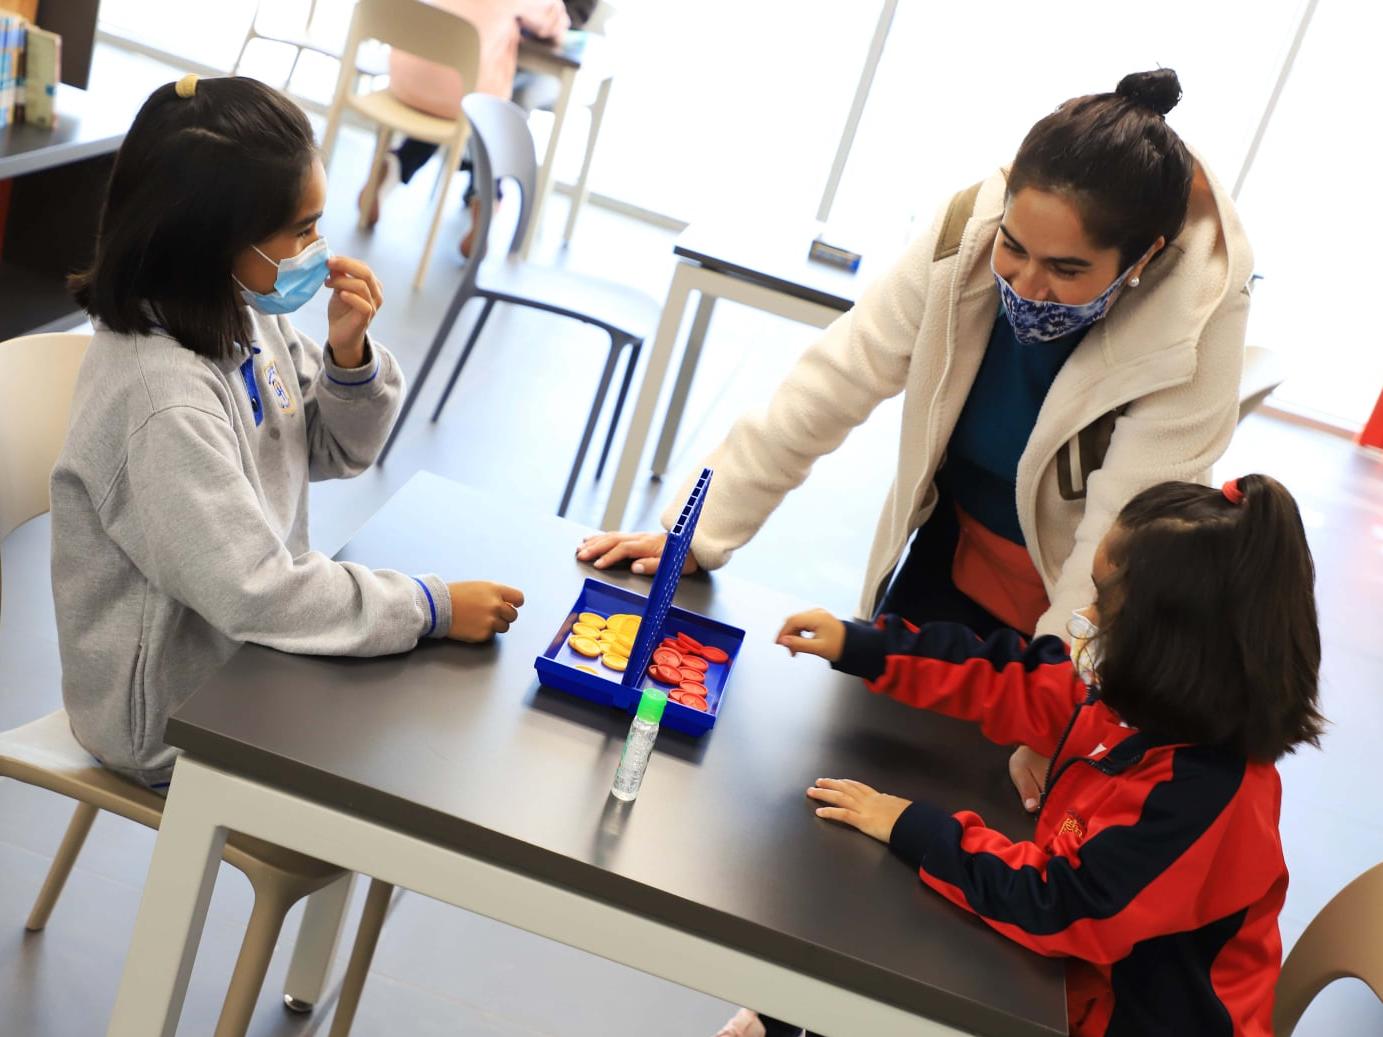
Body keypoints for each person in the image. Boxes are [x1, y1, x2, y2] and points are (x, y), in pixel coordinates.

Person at [578, 67, 1254, 819]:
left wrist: (1057, 712)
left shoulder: (1194, 325)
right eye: (1015, 248)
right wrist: (691, 535)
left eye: (1066, 269)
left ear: (1143, 257)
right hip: (957, 547)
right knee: (863, 763)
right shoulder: (962, 233)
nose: (1027, 285)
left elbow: (1121, 551)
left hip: (1081, 598)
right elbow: (831, 383)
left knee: (993, 816)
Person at [55, 75, 524, 789]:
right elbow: (259, 592)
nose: (318, 247)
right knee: (419, 766)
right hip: (172, 717)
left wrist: (347, 358)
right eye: (302, 229)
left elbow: (337, 450)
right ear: (212, 236)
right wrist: (425, 607)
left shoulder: (238, 311)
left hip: (249, 652)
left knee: (429, 725)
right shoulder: (162, 401)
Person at [732, 474, 1324, 1037]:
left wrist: (912, 825)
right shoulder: (1133, 703)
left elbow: (1060, 904)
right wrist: (868, 646)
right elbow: (1008, 677)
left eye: (1105, 605)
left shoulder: (1206, 798)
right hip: (1069, 984)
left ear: (1177, 647)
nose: (1084, 620)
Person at [358, 0, 596, 253]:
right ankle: (487, 195)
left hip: (403, 79)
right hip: (466, 96)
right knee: (488, 100)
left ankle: (397, 164)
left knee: (474, 78)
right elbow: (557, 23)